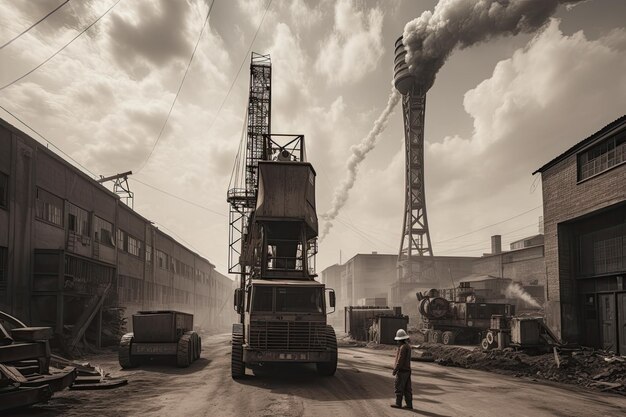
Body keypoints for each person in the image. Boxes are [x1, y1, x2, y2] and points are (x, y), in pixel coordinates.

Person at [391, 329, 412, 409]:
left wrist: (395, 369)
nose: (397, 342)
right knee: (407, 388)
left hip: (402, 371)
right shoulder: (408, 347)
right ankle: (409, 405)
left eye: (398, 341)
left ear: (400, 340)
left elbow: (400, 360)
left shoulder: (403, 347)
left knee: (399, 387)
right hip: (407, 370)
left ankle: (398, 403)